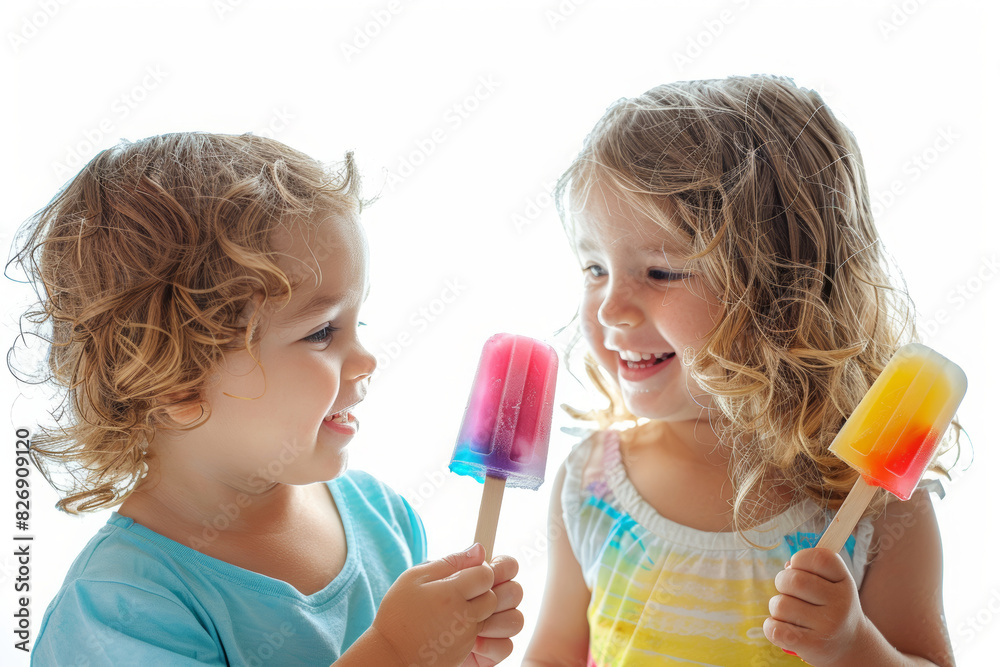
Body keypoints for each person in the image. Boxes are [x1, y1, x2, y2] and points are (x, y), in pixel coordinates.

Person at [11, 132, 523, 666]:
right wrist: (395, 651)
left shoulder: (383, 517)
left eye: (358, 320)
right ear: (178, 382)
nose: (367, 358)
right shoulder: (122, 607)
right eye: (322, 332)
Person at [523, 75, 958, 666]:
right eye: (594, 267)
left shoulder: (873, 506)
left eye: (662, 271)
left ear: (786, 291)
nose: (610, 308)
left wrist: (853, 645)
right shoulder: (591, 484)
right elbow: (554, 656)